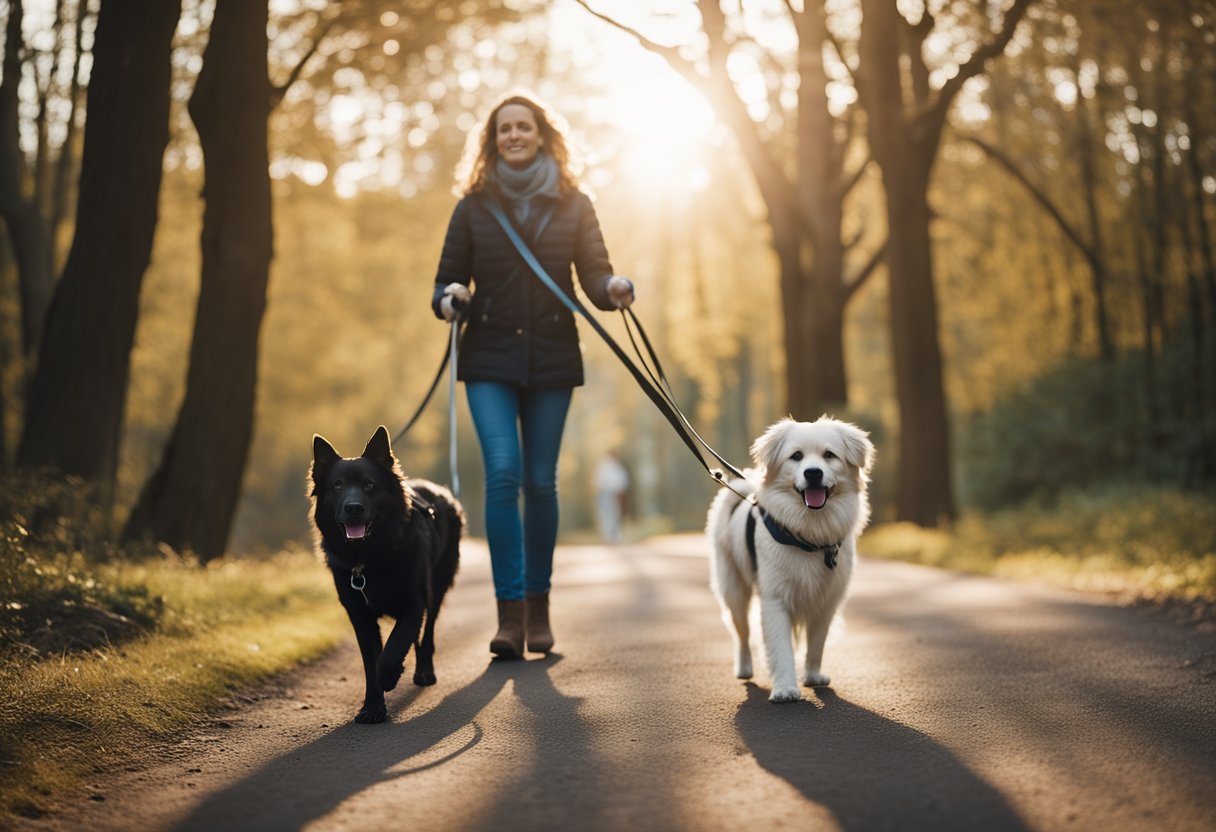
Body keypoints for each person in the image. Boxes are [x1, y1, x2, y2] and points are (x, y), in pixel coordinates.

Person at [431, 91, 635, 659]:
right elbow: (447, 279)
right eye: (503, 130)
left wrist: (613, 289)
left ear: (542, 135)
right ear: (492, 140)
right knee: (503, 474)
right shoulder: (473, 206)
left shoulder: (574, 203)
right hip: (490, 357)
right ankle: (509, 615)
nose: (513, 136)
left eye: (523, 127)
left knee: (541, 481)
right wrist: (450, 297)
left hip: (551, 356)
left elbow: (594, 273)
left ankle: (539, 606)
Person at [594, 449, 630, 543]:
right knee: (609, 515)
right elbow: (620, 481)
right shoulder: (609, 466)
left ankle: (611, 537)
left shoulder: (611, 466)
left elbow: (621, 481)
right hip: (607, 493)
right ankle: (609, 537)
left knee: (611, 515)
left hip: (611, 493)